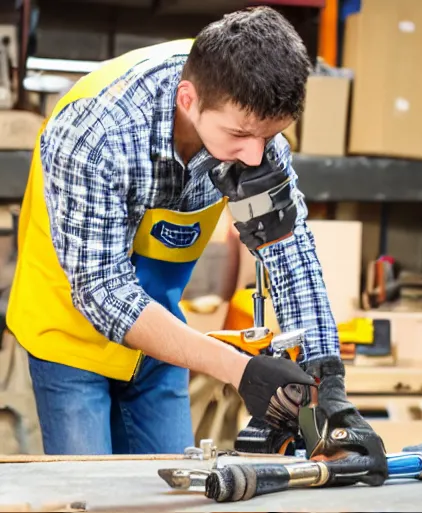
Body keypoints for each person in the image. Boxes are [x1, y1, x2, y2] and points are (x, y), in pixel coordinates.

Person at [9, 8, 382, 462]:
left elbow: (291, 254)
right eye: (241, 136)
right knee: (93, 503)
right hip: (70, 335)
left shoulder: (251, 128)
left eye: (270, 137)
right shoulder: (96, 134)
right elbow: (103, 291)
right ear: (188, 100)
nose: (255, 155)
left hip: (160, 341)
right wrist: (239, 370)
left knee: (172, 504)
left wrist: (329, 383)